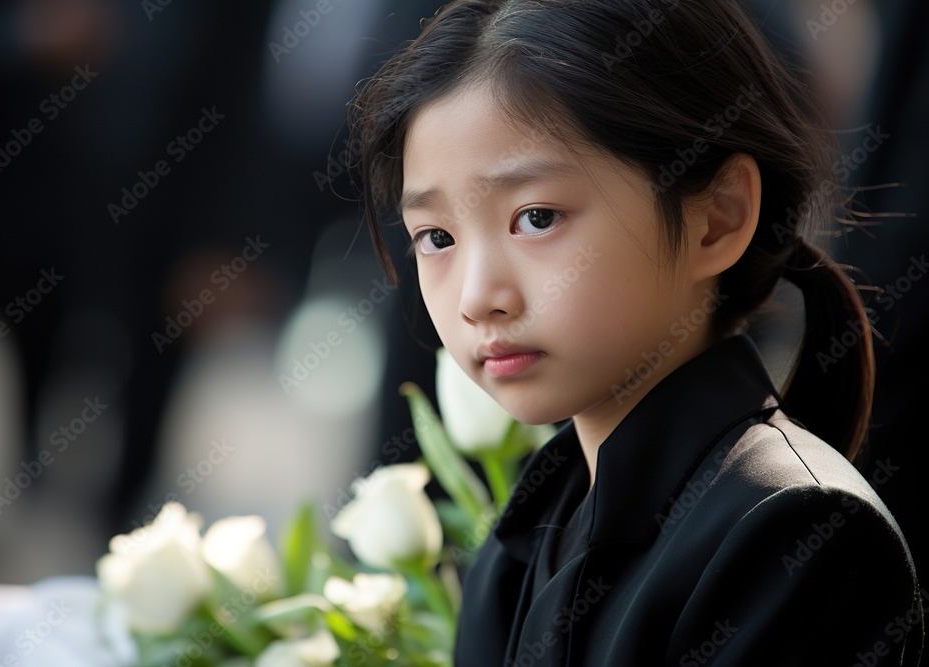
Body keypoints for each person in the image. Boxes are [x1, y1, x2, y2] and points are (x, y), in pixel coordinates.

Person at [347, 0, 924, 664]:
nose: (478, 297)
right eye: (437, 236)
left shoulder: (795, 532)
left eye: (536, 217)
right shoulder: (522, 541)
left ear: (718, 216)